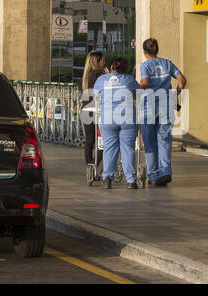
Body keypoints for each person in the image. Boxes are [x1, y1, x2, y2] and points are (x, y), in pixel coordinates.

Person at [137, 37, 186, 187]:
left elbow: (145, 83)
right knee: (164, 139)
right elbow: (182, 80)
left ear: (145, 52)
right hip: (165, 106)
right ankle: (166, 172)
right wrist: (175, 93)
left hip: (149, 107)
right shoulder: (167, 63)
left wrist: (136, 88)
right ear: (156, 50)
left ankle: (153, 174)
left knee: (150, 141)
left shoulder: (145, 66)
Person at [93, 57, 139, 189]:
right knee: (128, 148)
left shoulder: (102, 80)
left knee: (110, 148)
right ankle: (131, 180)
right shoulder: (130, 79)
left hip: (108, 118)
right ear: (125, 69)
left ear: (111, 67)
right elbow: (139, 93)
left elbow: (96, 96)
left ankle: (107, 178)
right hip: (128, 119)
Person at [80, 50, 107, 174]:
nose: (104, 63)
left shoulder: (86, 75)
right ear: (98, 61)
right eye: (103, 60)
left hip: (86, 109)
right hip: (98, 110)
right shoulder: (100, 74)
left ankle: (89, 167)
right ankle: (95, 165)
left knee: (90, 140)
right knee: (102, 141)